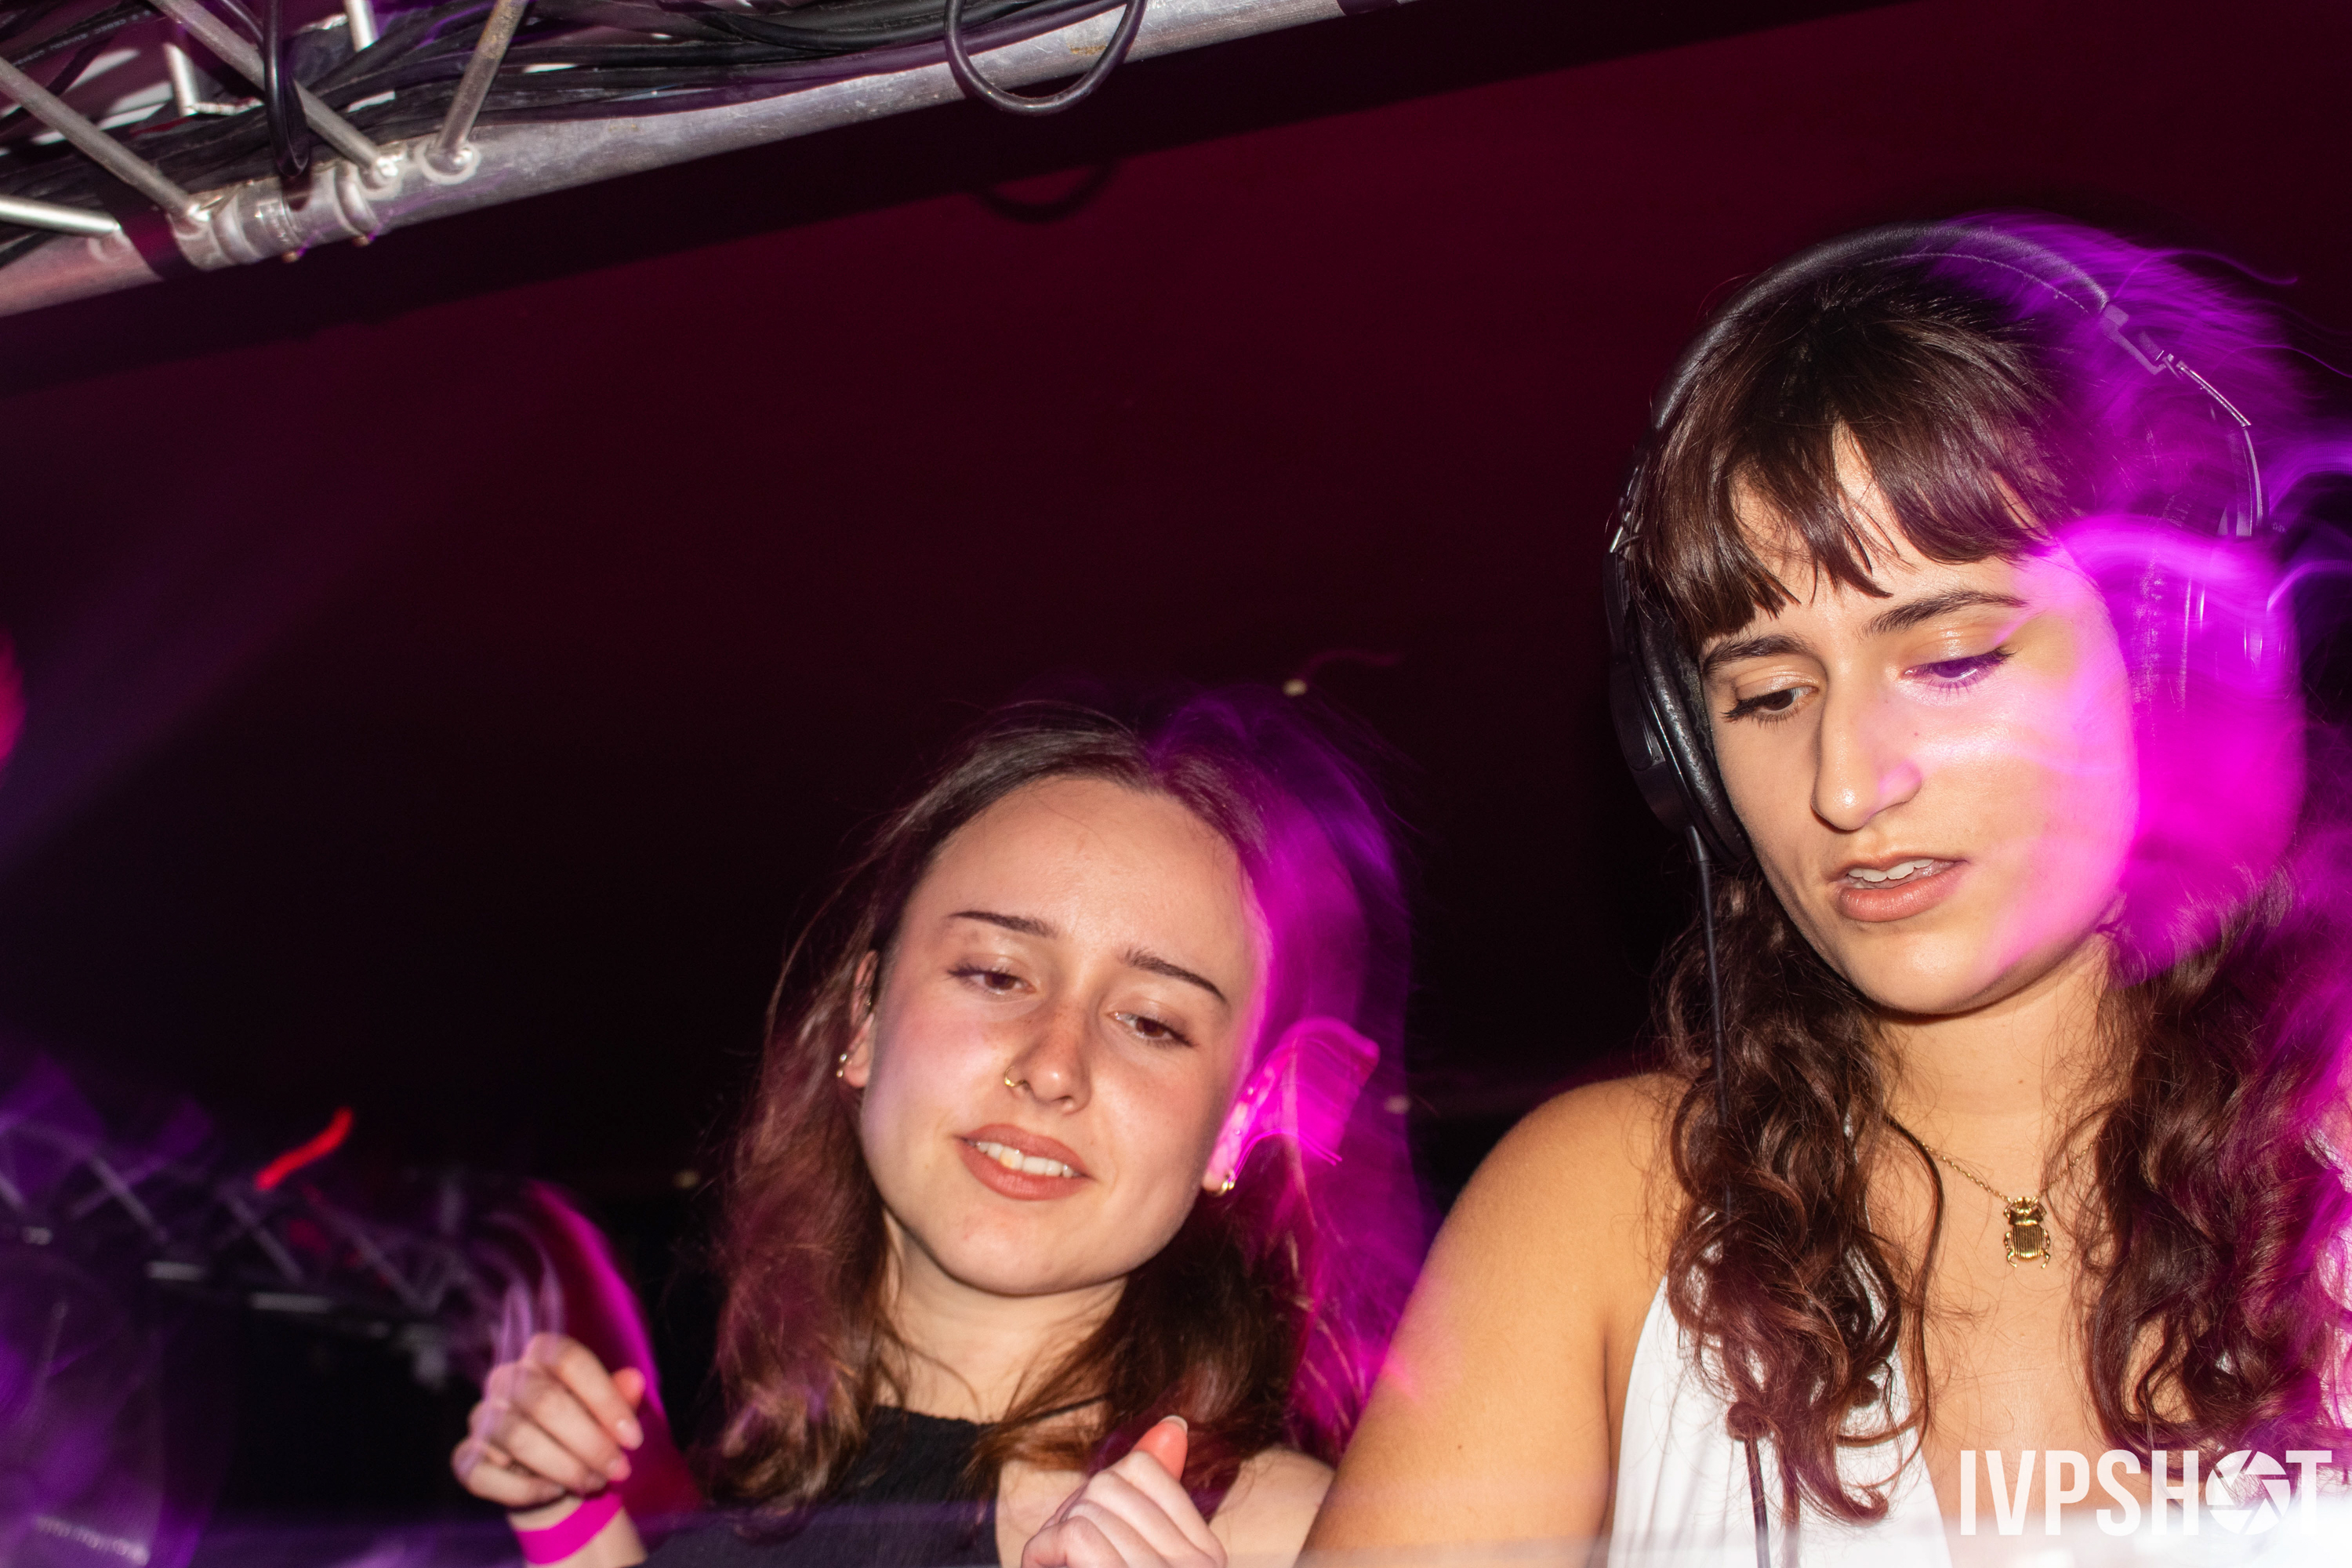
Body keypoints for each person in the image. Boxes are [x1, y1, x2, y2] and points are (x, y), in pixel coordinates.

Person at [1306, 217, 2352, 1564]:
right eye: (1768, 694)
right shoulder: (1593, 1211)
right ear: (1683, 755)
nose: (1847, 784)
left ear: (2173, 669)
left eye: (1953, 659)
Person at [452, 688, 1420, 1568]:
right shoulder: (756, 1477)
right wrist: (567, 1519)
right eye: (997, 974)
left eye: (1152, 1022)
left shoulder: (1292, 1537)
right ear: (865, 1017)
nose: (1053, 1065)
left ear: (1236, 1121)